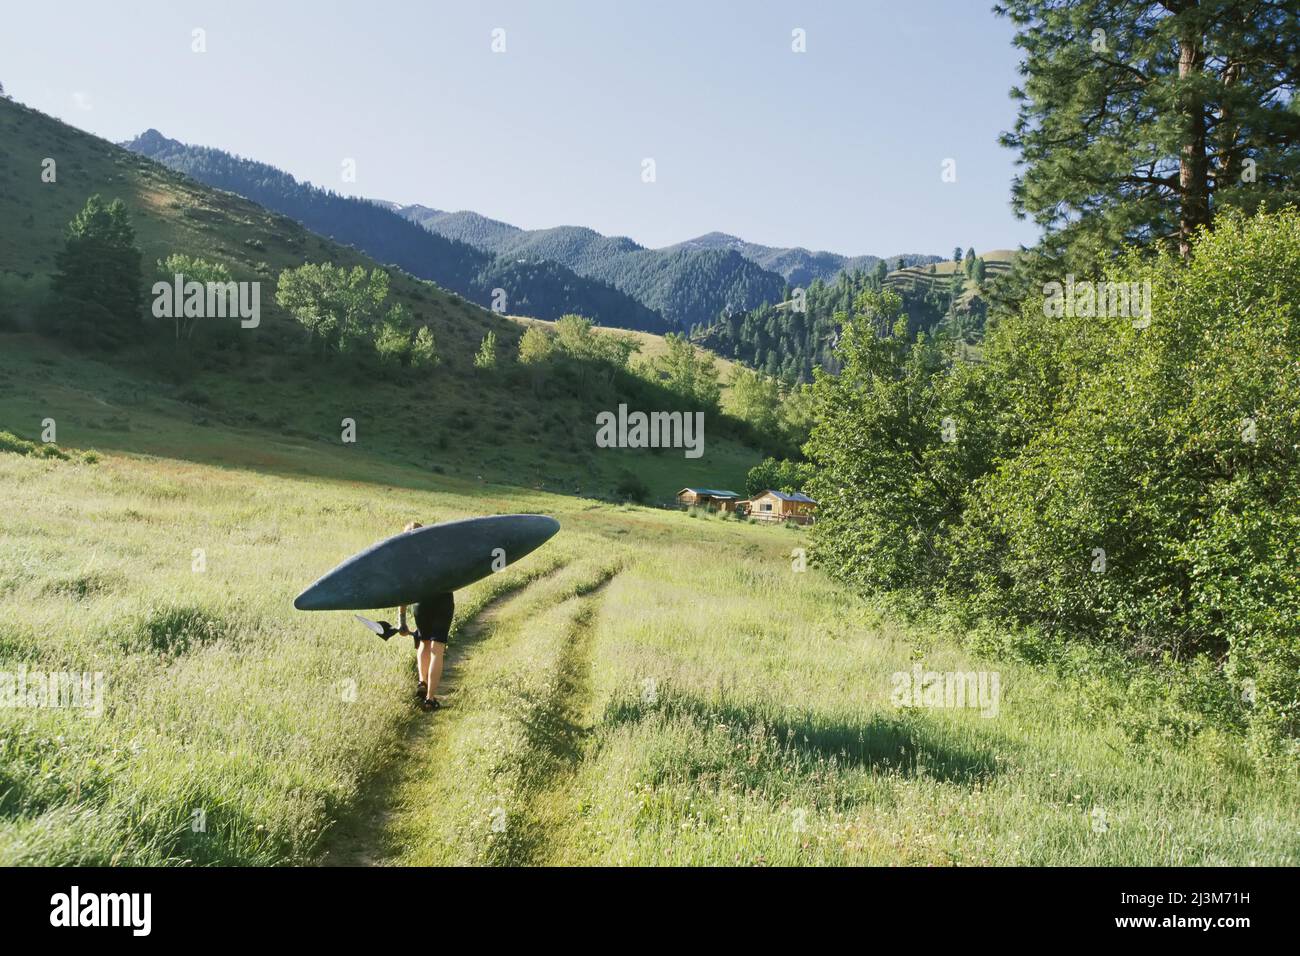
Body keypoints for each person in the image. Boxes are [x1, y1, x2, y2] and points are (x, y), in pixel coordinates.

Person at [396, 521, 455, 712]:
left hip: (421, 604)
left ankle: (422, 681)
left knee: (423, 643)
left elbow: (404, 593)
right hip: (443, 601)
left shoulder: (405, 562)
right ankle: (430, 699)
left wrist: (402, 622)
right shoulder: (439, 553)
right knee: (437, 649)